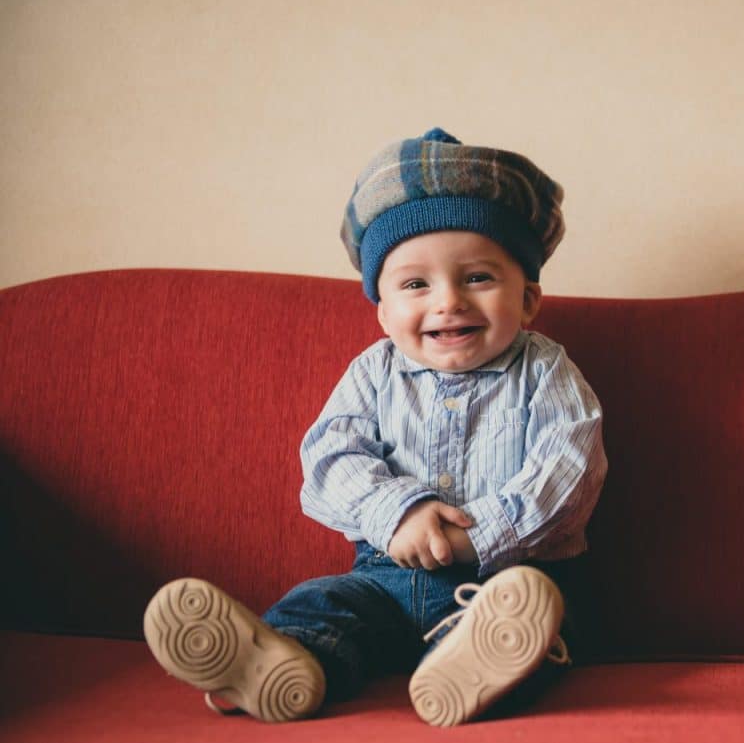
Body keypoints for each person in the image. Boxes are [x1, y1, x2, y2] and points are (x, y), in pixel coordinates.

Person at [143, 128, 608, 727]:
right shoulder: (373, 372)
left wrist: (481, 535)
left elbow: (569, 471)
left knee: (535, 622)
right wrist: (399, 510)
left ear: (528, 299)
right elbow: (330, 458)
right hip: (386, 580)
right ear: (384, 312)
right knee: (324, 603)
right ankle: (281, 663)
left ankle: (477, 667)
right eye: (416, 284)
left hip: (506, 581)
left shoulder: (544, 370)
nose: (448, 302)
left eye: (477, 278)